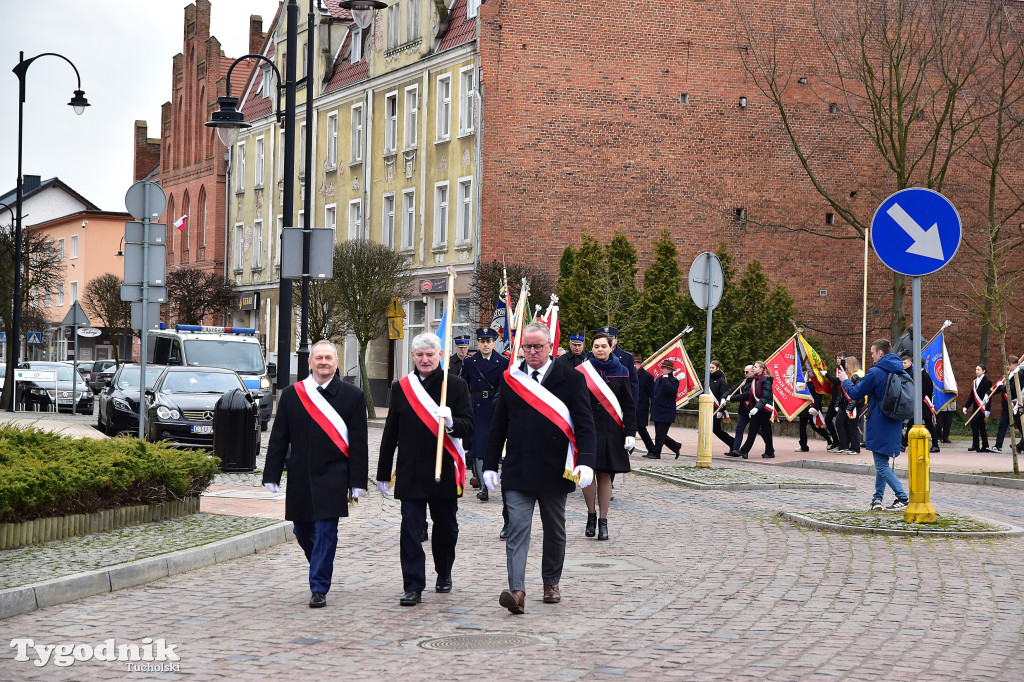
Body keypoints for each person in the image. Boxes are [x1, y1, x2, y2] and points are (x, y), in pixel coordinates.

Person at [482, 323, 596, 614]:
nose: (532, 352)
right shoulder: (512, 379)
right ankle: (517, 591)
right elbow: (499, 424)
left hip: (555, 468)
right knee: (518, 528)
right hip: (518, 468)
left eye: (538, 347)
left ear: (550, 348)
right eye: (527, 347)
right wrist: (491, 463)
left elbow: (585, 424)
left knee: (555, 529)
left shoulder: (570, 379)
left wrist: (586, 461)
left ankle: (550, 583)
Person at [263, 340, 369, 609]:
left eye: (328, 358)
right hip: (300, 473)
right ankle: (320, 564)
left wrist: (357, 481)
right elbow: (279, 437)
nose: (323, 362)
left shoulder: (352, 396)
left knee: (326, 531)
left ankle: (319, 587)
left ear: (336, 363)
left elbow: (359, 441)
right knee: (302, 530)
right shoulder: (292, 394)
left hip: (334, 474)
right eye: (318, 358)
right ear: (310, 362)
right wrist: (271, 474)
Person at [376, 333, 474, 607]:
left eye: (430, 354)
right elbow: (390, 431)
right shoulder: (401, 387)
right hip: (410, 470)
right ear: (413, 357)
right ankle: (413, 585)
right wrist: (384, 471)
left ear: (440, 355)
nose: (425, 359)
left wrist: (452, 421)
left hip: (443, 469)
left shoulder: (454, 385)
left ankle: (444, 571)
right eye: (419, 354)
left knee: (446, 528)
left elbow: (469, 426)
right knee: (410, 530)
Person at [837, 338, 908, 510]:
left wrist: (844, 380)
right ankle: (877, 499)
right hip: (894, 420)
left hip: (879, 420)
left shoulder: (876, 372)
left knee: (881, 464)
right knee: (882, 460)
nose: (871, 356)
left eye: (872, 353)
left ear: (880, 353)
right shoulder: (899, 370)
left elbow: (855, 392)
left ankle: (902, 497)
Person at [577, 332, 636, 541]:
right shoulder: (582, 371)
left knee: (605, 474)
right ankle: (591, 515)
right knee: (587, 473)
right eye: (596, 346)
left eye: (603, 346)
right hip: (587, 429)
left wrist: (630, 433)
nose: (599, 349)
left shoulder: (622, 371)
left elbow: (629, 405)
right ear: (591, 349)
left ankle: (603, 521)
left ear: (611, 347)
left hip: (612, 430)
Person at [461, 327, 509, 503]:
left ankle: (494, 477)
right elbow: (463, 384)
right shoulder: (469, 362)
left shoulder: (503, 362)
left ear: (494, 343)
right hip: (477, 408)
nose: (485, 345)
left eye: (488, 341)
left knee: (494, 446)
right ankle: (483, 486)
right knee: (478, 448)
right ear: (478, 344)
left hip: (495, 407)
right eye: (482, 341)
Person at [900, 352, 939, 453]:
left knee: (927, 424)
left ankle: (935, 445)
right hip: (919, 404)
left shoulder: (924, 376)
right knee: (913, 424)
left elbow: (923, 391)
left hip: (923, 405)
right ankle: (904, 444)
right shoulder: (917, 375)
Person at [738, 360, 775, 459]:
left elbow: (765, 397)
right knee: (752, 429)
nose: (753, 368)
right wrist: (753, 408)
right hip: (757, 409)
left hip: (764, 409)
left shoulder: (766, 380)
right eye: (753, 367)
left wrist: (757, 408)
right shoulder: (755, 380)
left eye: (755, 367)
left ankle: (770, 451)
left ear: (761, 369)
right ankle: (744, 451)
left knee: (766, 431)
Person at [647, 359, 682, 459]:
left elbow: (672, 391)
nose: (661, 369)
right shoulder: (658, 379)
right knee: (660, 434)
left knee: (660, 435)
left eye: (664, 368)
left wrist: (666, 380)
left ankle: (656, 453)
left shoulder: (673, 380)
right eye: (661, 368)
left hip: (666, 411)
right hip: (657, 410)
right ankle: (675, 446)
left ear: (669, 370)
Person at [597, 326, 639, 405]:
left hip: (619, 406)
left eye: (611, 339)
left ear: (616, 340)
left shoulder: (627, 357)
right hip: (598, 406)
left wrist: (632, 408)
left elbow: (633, 385)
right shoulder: (592, 357)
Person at [797, 369, 833, 452]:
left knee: (815, 426)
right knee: (802, 426)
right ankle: (803, 446)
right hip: (804, 406)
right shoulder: (802, 376)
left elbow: (818, 395)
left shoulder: (816, 379)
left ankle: (829, 439)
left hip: (813, 407)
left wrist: (815, 408)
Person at [993, 356, 1023, 454]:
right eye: (1007, 364)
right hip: (1007, 405)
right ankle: (998, 446)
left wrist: (1001, 387)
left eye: (1010, 365)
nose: (1008, 367)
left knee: (1021, 426)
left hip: (1016, 405)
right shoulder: (1009, 373)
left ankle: (1021, 446)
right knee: (1002, 425)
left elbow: (1012, 389)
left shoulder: (1020, 374)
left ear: (1015, 364)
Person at [835, 356, 864, 454]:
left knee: (853, 426)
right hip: (844, 404)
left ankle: (855, 448)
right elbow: (841, 392)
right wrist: (837, 404)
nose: (845, 365)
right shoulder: (846, 376)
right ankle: (844, 445)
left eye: (846, 363)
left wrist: (850, 407)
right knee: (839, 422)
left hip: (854, 405)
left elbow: (857, 393)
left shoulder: (857, 376)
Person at [725, 365, 756, 458]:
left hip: (753, 411)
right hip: (743, 411)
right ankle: (735, 449)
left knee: (760, 431)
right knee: (739, 430)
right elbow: (733, 389)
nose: (745, 374)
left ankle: (769, 449)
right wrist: (724, 396)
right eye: (744, 372)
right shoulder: (743, 382)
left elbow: (746, 395)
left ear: (753, 372)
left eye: (747, 372)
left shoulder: (755, 382)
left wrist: (731, 398)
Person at [963, 364, 993, 453]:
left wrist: (987, 409)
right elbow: (972, 396)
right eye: (976, 369)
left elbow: (989, 397)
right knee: (981, 426)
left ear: (983, 371)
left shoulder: (987, 382)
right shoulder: (974, 381)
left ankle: (977, 445)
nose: (976, 371)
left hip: (982, 408)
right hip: (976, 407)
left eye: (979, 369)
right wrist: (966, 406)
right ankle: (983, 445)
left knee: (974, 424)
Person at [708, 360, 734, 449]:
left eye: (713, 368)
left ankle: (732, 442)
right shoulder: (708, 379)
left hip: (717, 408)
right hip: (708, 408)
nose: (710, 369)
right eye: (710, 367)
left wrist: (721, 410)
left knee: (715, 429)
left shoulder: (721, 381)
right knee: (708, 428)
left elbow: (723, 397)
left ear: (717, 368)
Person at [634, 355, 656, 453]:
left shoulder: (647, 376)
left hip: (641, 407)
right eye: (633, 364)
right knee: (632, 428)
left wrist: (654, 408)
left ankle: (651, 449)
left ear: (640, 364)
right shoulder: (630, 374)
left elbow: (652, 394)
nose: (634, 366)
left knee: (641, 429)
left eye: (636, 364)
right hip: (632, 407)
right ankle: (627, 449)